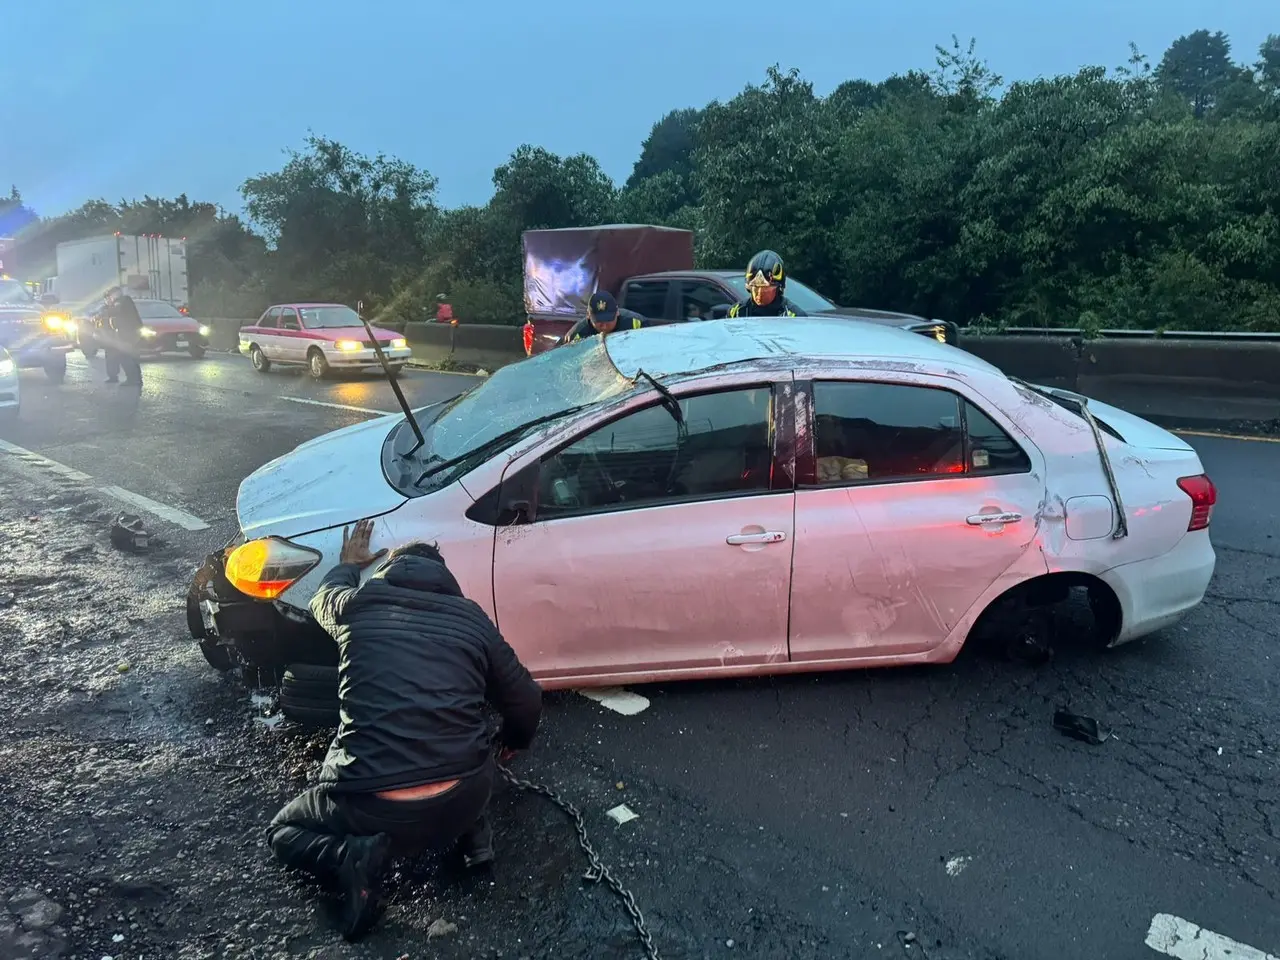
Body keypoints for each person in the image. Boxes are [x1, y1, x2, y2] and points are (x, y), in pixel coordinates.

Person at [265, 519, 543, 942]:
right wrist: (514, 742)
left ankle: (350, 856)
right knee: (466, 732)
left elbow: (322, 597)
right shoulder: (472, 619)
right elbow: (527, 699)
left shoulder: (357, 604)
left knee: (282, 831)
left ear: (387, 571)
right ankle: (473, 839)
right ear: (445, 578)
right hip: (463, 796)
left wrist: (346, 565)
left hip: (373, 807)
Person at [727, 250, 798, 318]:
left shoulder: (792, 316)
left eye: (766, 288)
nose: (760, 293)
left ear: (778, 288)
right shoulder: (736, 313)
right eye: (756, 287)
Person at [558, 290, 644, 345]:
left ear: (617, 312)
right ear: (588, 315)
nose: (604, 326)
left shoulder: (637, 323)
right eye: (598, 322)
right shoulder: (577, 335)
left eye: (608, 320)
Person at [103, 288, 143, 386]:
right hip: (124, 333)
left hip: (129, 333)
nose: (110, 298)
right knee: (122, 356)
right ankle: (130, 378)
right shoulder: (120, 302)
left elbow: (114, 312)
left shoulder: (123, 300)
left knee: (127, 356)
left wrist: (109, 305)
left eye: (110, 296)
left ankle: (134, 379)